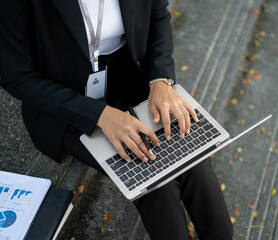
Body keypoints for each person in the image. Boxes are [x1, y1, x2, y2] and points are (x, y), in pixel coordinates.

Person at [0, 0, 233, 239]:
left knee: (193, 158)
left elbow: (158, 16)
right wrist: (99, 114)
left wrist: (161, 79)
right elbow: (16, 75)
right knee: (152, 179)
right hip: (64, 99)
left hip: (131, 76)